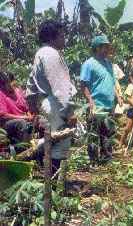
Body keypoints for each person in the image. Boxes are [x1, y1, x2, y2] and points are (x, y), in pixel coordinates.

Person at [26, 19, 77, 174]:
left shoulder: (42, 53)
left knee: (51, 141)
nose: (64, 39)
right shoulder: (50, 54)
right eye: (62, 36)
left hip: (48, 102)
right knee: (59, 144)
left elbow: (30, 85)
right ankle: (52, 187)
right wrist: (69, 111)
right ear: (52, 38)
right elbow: (59, 87)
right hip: (54, 103)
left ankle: (47, 179)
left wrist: (33, 105)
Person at [80, 34, 123, 161]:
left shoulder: (109, 64)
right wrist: (90, 100)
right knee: (94, 134)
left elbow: (112, 81)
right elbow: (83, 84)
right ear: (97, 48)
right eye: (104, 47)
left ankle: (107, 158)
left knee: (108, 133)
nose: (107, 50)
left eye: (108, 47)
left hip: (109, 105)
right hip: (95, 105)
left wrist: (118, 96)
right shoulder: (89, 64)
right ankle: (93, 160)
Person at [0, 71, 34, 146]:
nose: (11, 84)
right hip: (7, 123)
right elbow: (4, 115)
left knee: (41, 120)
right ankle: (24, 150)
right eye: (7, 83)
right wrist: (23, 117)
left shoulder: (17, 91)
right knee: (21, 123)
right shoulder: (1, 94)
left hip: (23, 119)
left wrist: (30, 116)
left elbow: (26, 108)